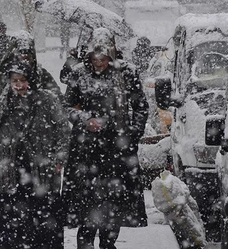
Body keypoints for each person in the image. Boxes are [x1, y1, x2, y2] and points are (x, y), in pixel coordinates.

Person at [62, 27, 149, 249]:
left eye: (103, 57)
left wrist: (132, 135)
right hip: (85, 150)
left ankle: (108, 244)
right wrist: (84, 118)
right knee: (87, 204)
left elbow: (140, 106)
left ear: (111, 53)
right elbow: (66, 107)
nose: (99, 61)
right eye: (95, 56)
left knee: (114, 206)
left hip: (117, 151)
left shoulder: (126, 72)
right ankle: (86, 243)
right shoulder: (79, 73)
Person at [0, 62, 70, 248]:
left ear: (32, 80)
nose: (18, 85)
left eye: (22, 80)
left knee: (42, 215)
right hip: (10, 168)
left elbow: (63, 129)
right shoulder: (3, 102)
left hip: (41, 169)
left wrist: (60, 157)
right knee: (11, 218)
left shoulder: (47, 100)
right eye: (15, 80)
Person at [0, 30, 63, 194]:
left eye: (28, 55)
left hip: (38, 150)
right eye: (20, 54)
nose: (24, 58)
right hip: (8, 150)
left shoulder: (42, 76)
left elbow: (59, 108)